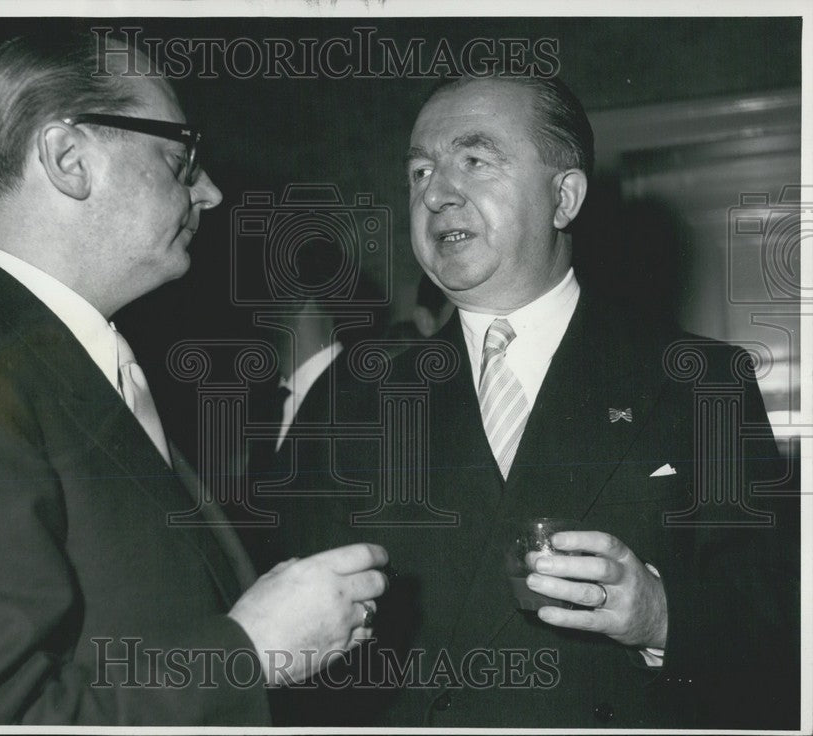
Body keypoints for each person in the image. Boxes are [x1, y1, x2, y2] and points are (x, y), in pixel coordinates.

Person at [0, 31, 388, 726]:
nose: (210, 192)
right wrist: (249, 650)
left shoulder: (58, 359)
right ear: (70, 160)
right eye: (180, 158)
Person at [284, 76, 799, 728]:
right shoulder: (351, 390)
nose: (436, 193)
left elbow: (776, 623)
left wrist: (659, 616)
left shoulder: (702, 382)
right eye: (420, 170)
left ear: (564, 197)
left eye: (473, 161)